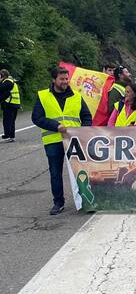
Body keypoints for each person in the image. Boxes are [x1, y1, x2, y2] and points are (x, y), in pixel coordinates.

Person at [32, 66, 92, 215]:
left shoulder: (76, 96)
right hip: (53, 139)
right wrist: (55, 126)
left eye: (67, 78)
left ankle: (85, 200)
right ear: (54, 80)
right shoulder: (43, 96)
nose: (65, 81)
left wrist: (83, 131)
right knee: (55, 172)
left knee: (80, 171)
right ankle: (58, 203)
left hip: (73, 140)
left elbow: (86, 117)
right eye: (62, 79)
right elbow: (37, 118)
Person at [0, 69, 21, 142]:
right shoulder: (11, 81)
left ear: (2, 75)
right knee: (11, 121)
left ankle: (8, 136)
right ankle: (11, 136)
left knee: (7, 121)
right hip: (14, 103)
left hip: (10, 104)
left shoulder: (7, 82)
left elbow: (3, 91)